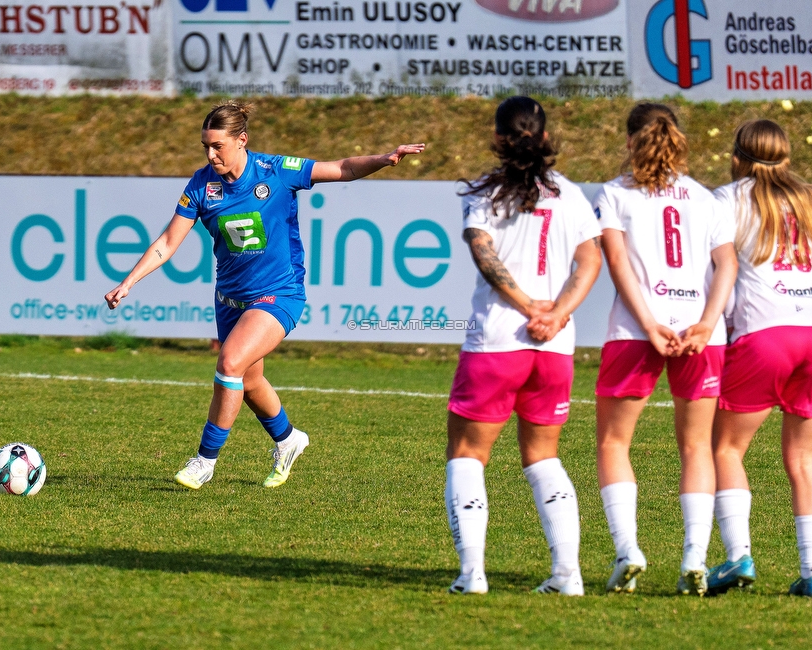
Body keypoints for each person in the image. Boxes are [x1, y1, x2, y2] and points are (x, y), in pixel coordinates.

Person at [105, 101, 424, 490]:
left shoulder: (277, 171)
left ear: (242, 141)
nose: (210, 154)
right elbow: (169, 241)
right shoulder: (200, 186)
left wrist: (385, 158)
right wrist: (130, 281)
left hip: (279, 294)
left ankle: (205, 460)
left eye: (218, 146)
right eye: (205, 145)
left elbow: (343, 168)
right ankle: (289, 440)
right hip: (230, 301)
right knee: (250, 381)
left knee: (230, 361)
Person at [707, 120, 812, 599]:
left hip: (764, 332)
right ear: (786, 156)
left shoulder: (727, 199)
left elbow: (714, 262)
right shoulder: (811, 198)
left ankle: (739, 556)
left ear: (738, 155)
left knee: (727, 449)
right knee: (804, 460)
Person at [445, 96, 602, 596]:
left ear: (496, 139)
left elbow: (482, 251)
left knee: (468, 454)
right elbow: (589, 263)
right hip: (554, 346)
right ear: (548, 138)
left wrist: (527, 305)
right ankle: (567, 575)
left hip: (497, 341)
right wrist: (556, 313)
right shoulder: (571, 195)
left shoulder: (485, 193)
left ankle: (472, 575)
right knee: (544, 457)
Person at [592, 103, 738, 596]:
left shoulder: (614, 194)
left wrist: (651, 324)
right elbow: (727, 268)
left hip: (636, 333)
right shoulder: (706, 198)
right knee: (696, 446)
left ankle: (628, 550)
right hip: (702, 336)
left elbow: (617, 262)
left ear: (631, 141)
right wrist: (705, 323)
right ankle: (694, 559)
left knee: (615, 443)